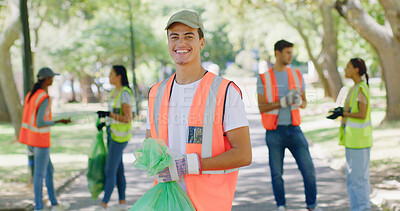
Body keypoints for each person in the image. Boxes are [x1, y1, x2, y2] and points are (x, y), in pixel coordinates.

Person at [145, 10, 252, 211]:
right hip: (166, 202)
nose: (180, 43)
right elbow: (150, 142)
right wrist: (148, 158)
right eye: (174, 37)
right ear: (168, 43)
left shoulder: (225, 91)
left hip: (208, 204)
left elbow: (244, 154)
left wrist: (188, 165)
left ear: (201, 42)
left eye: (188, 36)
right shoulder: (156, 93)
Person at [257, 40, 321, 211]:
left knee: (309, 171)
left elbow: (304, 103)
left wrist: (299, 100)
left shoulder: (297, 74)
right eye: (287, 52)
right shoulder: (264, 78)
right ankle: (281, 206)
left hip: (294, 130)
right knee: (277, 174)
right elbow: (261, 106)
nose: (291, 56)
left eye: (291, 52)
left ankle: (312, 205)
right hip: (274, 132)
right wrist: (281, 102)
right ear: (277, 53)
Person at [19, 67, 71, 211]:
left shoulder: (31, 95)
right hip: (40, 141)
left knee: (49, 170)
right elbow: (40, 122)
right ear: (46, 79)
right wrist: (60, 121)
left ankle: (54, 204)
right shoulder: (43, 97)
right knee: (39, 175)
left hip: (30, 139)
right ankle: (39, 207)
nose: (53, 80)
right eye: (51, 78)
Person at [327, 58, 372, 210]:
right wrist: (340, 112)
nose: (345, 70)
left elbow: (362, 114)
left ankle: (364, 208)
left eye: (348, 67)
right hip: (352, 140)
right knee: (352, 179)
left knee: (359, 179)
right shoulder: (353, 88)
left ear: (356, 70)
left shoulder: (361, 88)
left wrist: (344, 113)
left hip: (360, 141)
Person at [96, 65, 135, 210]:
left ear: (119, 76)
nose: (109, 77)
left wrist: (109, 115)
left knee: (109, 170)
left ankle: (104, 203)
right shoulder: (115, 92)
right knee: (118, 170)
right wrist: (105, 122)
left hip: (120, 138)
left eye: (111, 74)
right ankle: (122, 203)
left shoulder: (124, 93)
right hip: (112, 134)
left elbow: (127, 118)